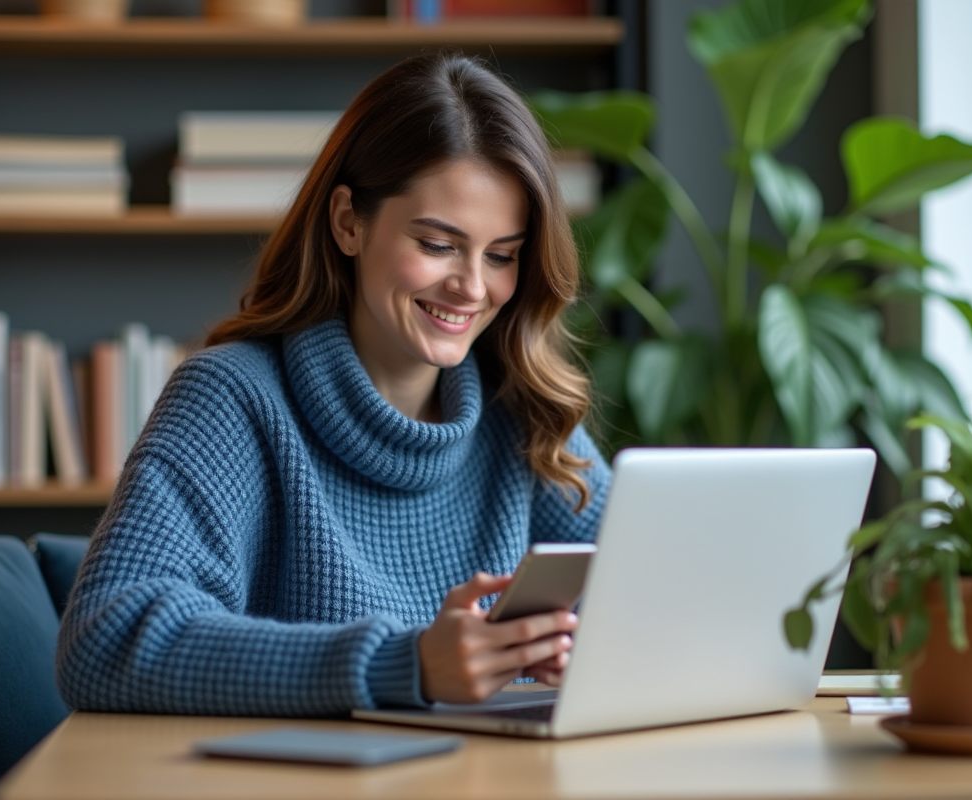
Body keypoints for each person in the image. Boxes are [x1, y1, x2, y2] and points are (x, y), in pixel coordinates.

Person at [56, 52, 611, 717]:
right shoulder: (233, 399)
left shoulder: (521, 407)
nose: (472, 287)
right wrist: (405, 664)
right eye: (438, 245)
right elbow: (103, 640)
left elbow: (649, 581)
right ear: (349, 221)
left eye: (502, 255)